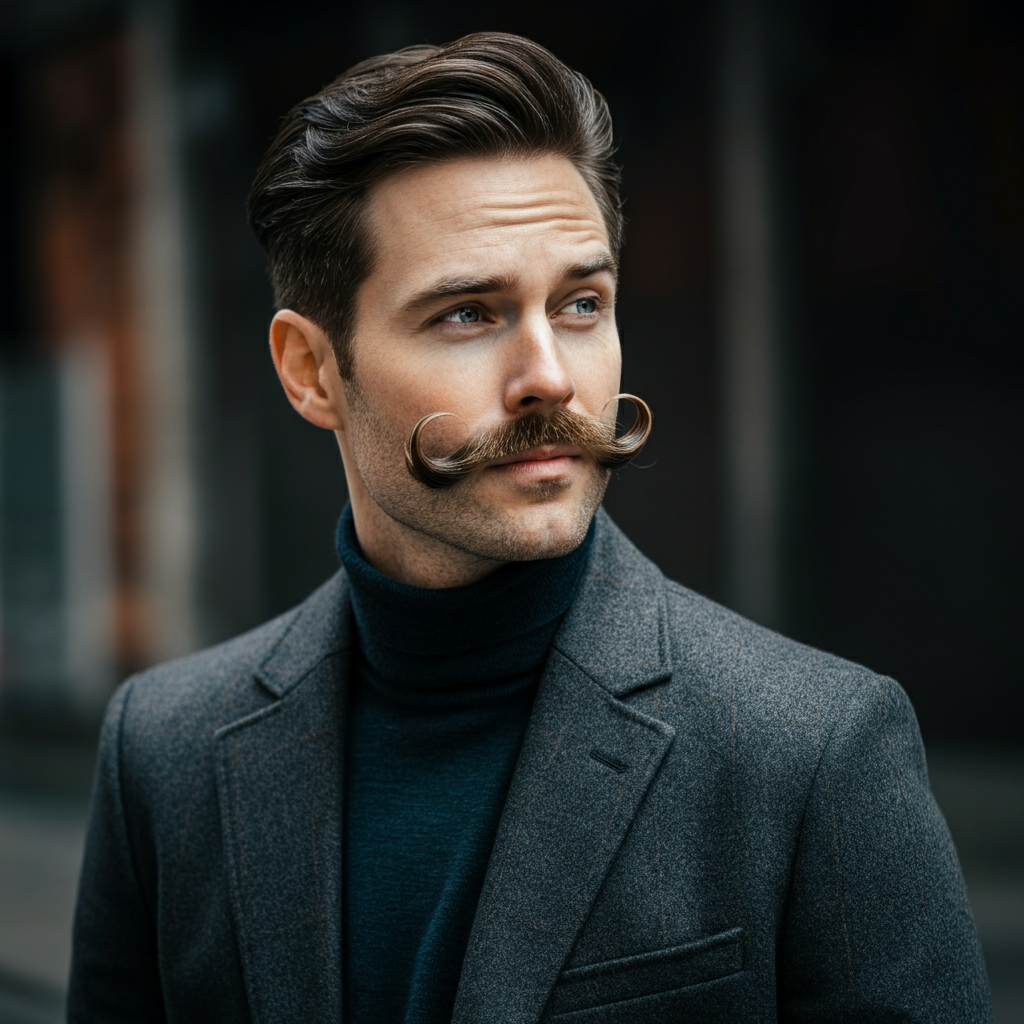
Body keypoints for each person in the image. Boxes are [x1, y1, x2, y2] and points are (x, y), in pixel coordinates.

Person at [68, 32, 992, 1024]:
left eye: (582, 303)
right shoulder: (163, 754)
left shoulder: (810, 751)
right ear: (310, 370)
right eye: (467, 313)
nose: (550, 374)